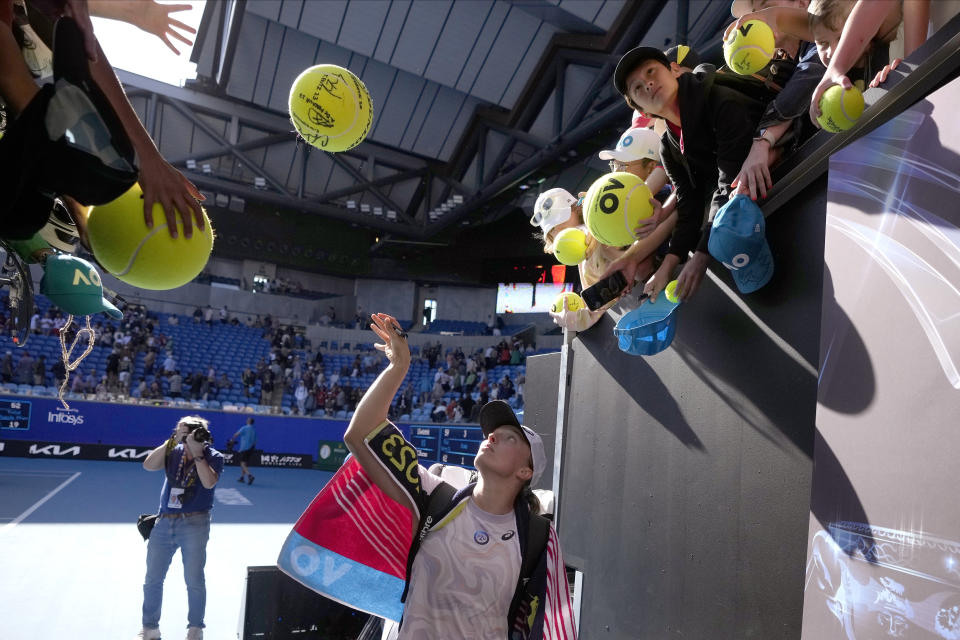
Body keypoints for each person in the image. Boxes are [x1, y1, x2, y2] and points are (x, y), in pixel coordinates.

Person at [341, 313, 576, 639]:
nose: (491, 436)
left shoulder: (538, 538)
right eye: (492, 432)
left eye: (509, 437)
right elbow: (361, 435)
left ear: (526, 471)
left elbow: (553, 630)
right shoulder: (432, 495)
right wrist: (398, 368)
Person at [613, 45, 764, 302]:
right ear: (641, 109)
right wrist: (668, 265)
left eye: (651, 71)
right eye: (637, 88)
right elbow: (689, 203)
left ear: (674, 70)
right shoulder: (667, 148)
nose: (648, 84)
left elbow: (729, 181)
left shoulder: (719, 100)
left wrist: (702, 254)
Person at [728, 0, 827, 201]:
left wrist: (761, 143)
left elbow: (810, 72)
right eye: (754, 13)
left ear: (802, 4)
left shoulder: (825, 36)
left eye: (766, 7)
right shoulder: (779, 75)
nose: (759, 19)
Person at [137, 416, 223, 640]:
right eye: (179, 431)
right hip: (165, 521)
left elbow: (208, 482)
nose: (183, 435)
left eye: (188, 432)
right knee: (153, 578)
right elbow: (148, 465)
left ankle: (195, 629)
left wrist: (196, 453)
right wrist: (172, 441)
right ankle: (150, 628)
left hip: (195, 523)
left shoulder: (214, 456)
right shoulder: (172, 451)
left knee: (194, 579)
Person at [229, 417, 257, 485]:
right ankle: (242, 477)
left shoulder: (245, 428)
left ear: (249, 421)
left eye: (247, 419)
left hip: (244, 448)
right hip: (251, 449)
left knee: (242, 463)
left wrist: (232, 440)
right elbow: (255, 441)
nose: (246, 420)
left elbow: (236, 434)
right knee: (245, 463)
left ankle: (250, 476)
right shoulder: (253, 429)